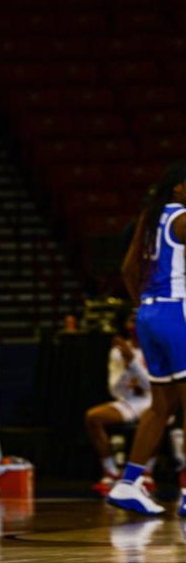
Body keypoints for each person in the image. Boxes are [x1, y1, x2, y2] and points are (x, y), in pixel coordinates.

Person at [108, 162, 186, 516]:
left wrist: (143, 306)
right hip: (176, 311)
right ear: (178, 189)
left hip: (149, 313)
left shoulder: (149, 217)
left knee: (162, 405)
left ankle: (128, 482)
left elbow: (127, 270)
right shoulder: (182, 218)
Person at [85, 311, 154, 496]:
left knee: (156, 418)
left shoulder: (156, 347)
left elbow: (152, 386)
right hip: (129, 401)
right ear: (126, 325)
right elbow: (115, 390)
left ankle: (146, 471)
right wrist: (127, 368)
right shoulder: (118, 351)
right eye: (131, 320)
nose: (135, 325)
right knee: (93, 417)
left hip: (154, 401)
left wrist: (132, 363)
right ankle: (111, 471)